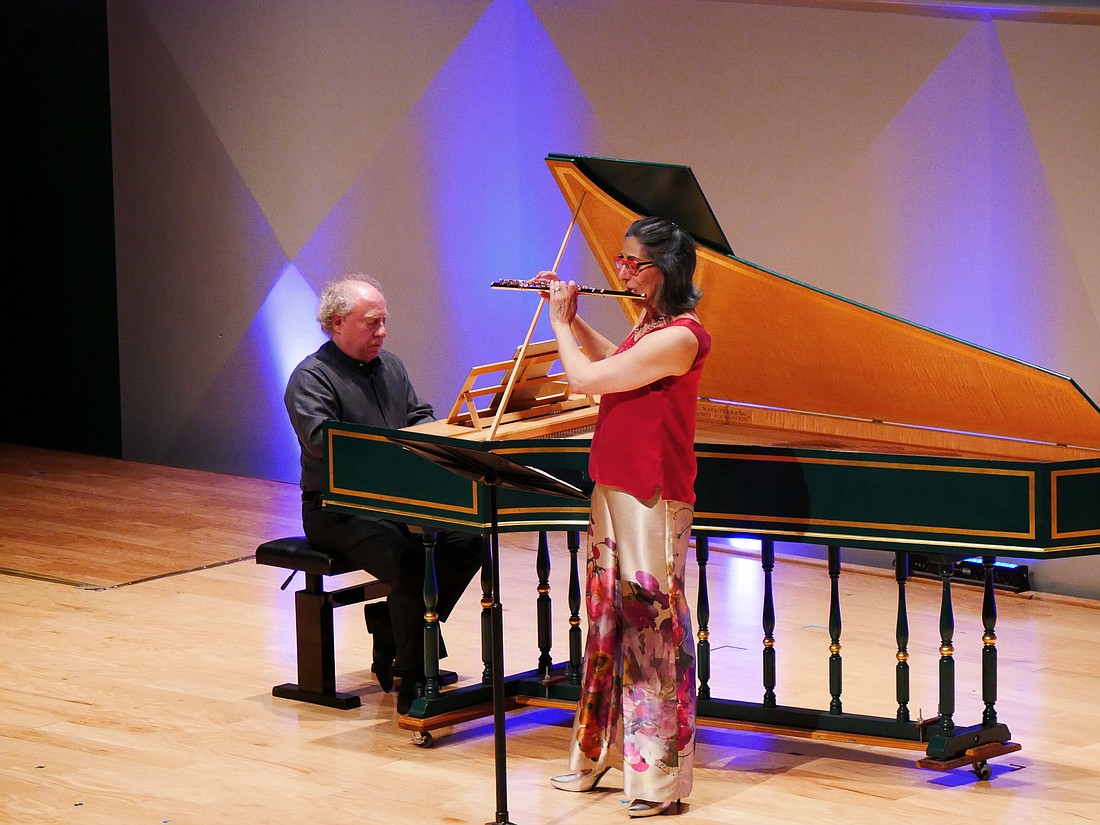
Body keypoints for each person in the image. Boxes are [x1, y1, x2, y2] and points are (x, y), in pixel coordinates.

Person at [542, 217, 710, 818]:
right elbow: (616, 364)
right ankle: (602, 755)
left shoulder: (684, 335)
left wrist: (560, 324)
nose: (620, 271)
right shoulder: (651, 326)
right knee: (608, 622)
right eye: (620, 260)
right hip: (614, 485)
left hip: (653, 493)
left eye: (630, 262)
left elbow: (588, 380)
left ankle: (659, 782)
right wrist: (577, 319)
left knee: (652, 631)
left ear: (660, 270)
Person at [284, 274, 483, 715]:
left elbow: (418, 413)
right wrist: (394, 450)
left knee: (469, 541)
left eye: (383, 321)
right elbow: (324, 442)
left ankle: (392, 628)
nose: (382, 332)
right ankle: (412, 678)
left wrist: (438, 432)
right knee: (413, 566)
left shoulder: (390, 365)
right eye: (372, 323)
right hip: (336, 509)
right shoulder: (311, 378)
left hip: (391, 503)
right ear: (337, 323)